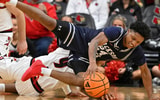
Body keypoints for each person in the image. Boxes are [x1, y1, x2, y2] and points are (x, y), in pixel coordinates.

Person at [1, 0, 159, 99]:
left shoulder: (135, 51)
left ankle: (42, 71)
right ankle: (13, 2)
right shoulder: (116, 32)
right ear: (129, 31)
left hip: (81, 54)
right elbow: (94, 43)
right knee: (49, 22)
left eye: (138, 42)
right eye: (133, 39)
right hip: (81, 37)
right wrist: (92, 63)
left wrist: (151, 96)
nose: (133, 43)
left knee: (83, 80)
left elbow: (145, 72)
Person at [0, 47, 86, 97]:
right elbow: (64, 74)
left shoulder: (68, 47)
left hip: (28, 66)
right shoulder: (84, 67)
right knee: (18, 88)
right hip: (34, 88)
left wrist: (69, 91)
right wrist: (68, 92)